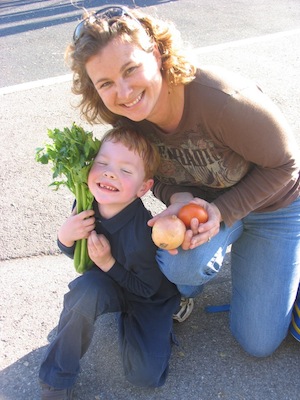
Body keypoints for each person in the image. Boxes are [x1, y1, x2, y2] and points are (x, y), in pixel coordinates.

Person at [65, 5, 300, 359]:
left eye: (130, 69)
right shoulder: (126, 118)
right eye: (107, 83)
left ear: (156, 53)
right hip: (200, 208)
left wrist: (222, 212)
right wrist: (178, 197)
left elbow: (286, 165)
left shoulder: (225, 101)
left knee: (258, 343)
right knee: (182, 267)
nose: (124, 92)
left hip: (274, 206)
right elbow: (150, 178)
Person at [39, 127, 181, 399]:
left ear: (143, 188)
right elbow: (83, 256)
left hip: (148, 297)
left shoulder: (143, 233)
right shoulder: (85, 204)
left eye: (125, 171)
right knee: (84, 292)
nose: (110, 172)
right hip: (109, 283)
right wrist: (65, 238)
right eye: (102, 163)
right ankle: (56, 379)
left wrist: (108, 263)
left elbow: (147, 288)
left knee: (146, 377)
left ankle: (168, 318)